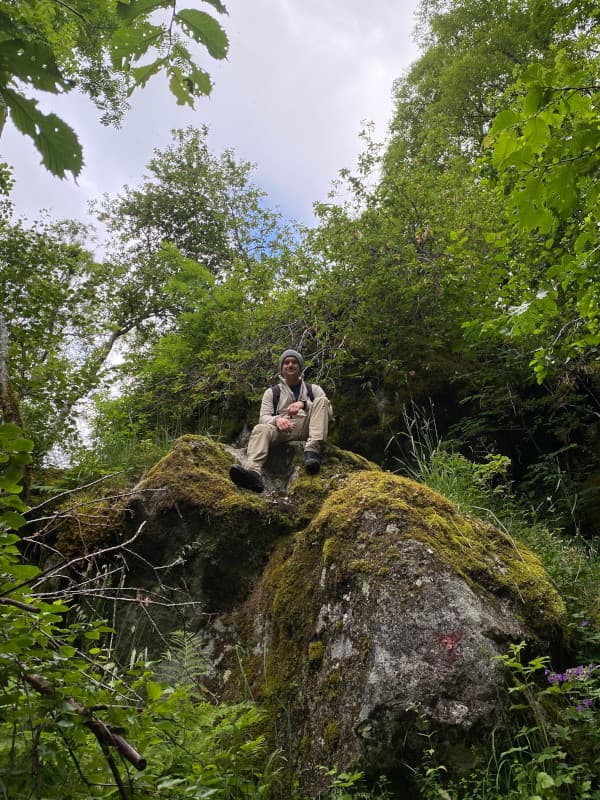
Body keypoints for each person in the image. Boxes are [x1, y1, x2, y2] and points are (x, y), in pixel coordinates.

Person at [229, 349, 331, 492]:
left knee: (322, 400)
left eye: (294, 362)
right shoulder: (272, 393)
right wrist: (277, 420)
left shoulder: (314, 390)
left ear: (300, 367)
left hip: (308, 426)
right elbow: (263, 417)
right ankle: (253, 473)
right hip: (283, 430)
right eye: (286, 362)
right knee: (260, 428)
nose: (290, 365)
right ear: (282, 368)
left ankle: (312, 452)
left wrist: (304, 404)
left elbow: (328, 411)